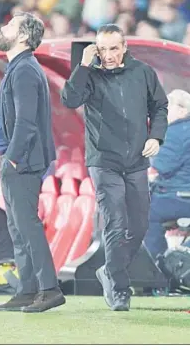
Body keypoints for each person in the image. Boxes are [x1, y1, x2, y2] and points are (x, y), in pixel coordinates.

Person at [61, 24, 168, 311]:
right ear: (95, 49)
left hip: (136, 160)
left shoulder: (143, 72)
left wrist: (156, 136)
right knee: (116, 222)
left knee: (140, 224)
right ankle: (119, 287)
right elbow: (70, 99)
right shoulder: (90, 75)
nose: (108, 55)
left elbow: (160, 106)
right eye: (102, 49)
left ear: (124, 48)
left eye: (113, 48)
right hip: (104, 161)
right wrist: (83, 65)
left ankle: (110, 269)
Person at [0, 11, 65, 313]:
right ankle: (27, 289)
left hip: (22, 162)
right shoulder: (20, 67)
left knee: (28, 226)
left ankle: (49, 289)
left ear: (23, 36)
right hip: (18, 160)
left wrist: (11, 159)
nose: (2, 26)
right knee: (18, 227)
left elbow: (26, 122)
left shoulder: (24, 70)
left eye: (10, 24)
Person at [144, 89, 190, 259]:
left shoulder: (172, 132)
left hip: (175, 199)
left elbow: (162, 167)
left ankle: (156, 264)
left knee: (146, 216)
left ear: (182, 110)